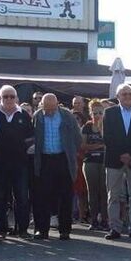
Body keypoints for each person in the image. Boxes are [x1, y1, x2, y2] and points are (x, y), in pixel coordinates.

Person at [32, 93, 82, 240]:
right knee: (43, 196)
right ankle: (42, 230)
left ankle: (65, 230)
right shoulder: (37, 116)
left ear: (57, 104)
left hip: (63, 159)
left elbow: (77, 138)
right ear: (42, 105)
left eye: (52, 108)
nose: (49, 111)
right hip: (45, 159)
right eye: (46, 108)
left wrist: (71, 152)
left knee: (65, 196)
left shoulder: (67, 116)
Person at [102, 84, 131, 239]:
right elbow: (108, 136)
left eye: (130, 94)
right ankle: (115, 227)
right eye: (124, 94)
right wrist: (122, 154)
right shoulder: (109, 112)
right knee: (113, 195)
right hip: (114, 159)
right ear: (118, 96)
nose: (128, 97)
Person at [0, 84, 34, 238]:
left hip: (20, 164)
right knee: (0, 198)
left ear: (17, 98)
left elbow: (31, 138)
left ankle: (22, 229)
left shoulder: (24, 115)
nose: (9, 99)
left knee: (22, 198)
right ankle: (2, 229)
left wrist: (25, 151)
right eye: (6, 96)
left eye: (12, 96)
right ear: (0, 98)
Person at [81, 98, 107, 232]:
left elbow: (110, 144)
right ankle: (93, 219)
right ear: (91, 113)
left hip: (104, 162)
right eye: (95, 113)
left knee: (104, 191)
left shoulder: (108, 126)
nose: (97, 116)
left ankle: (104, 219)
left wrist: (102, 129)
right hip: (90, 162)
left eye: (100, 113)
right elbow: (83, 146)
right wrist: (98, 145)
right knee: (92, 191)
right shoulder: (86, 127)